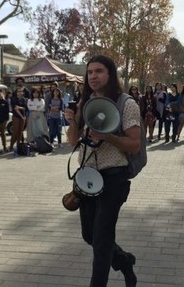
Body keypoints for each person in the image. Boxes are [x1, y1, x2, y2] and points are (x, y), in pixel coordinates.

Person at [64, 54, 139, 287]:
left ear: (110, 74)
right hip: (87, 178)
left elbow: (135, 144)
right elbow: (74, 141)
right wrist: (73, 122)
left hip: (113, 178)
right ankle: (124, 261)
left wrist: (108, 137)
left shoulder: (126, 104)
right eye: (90, 72)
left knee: (102, 239)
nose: (93, 76)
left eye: (99, 71)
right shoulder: (84, 103)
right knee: (90, 235)